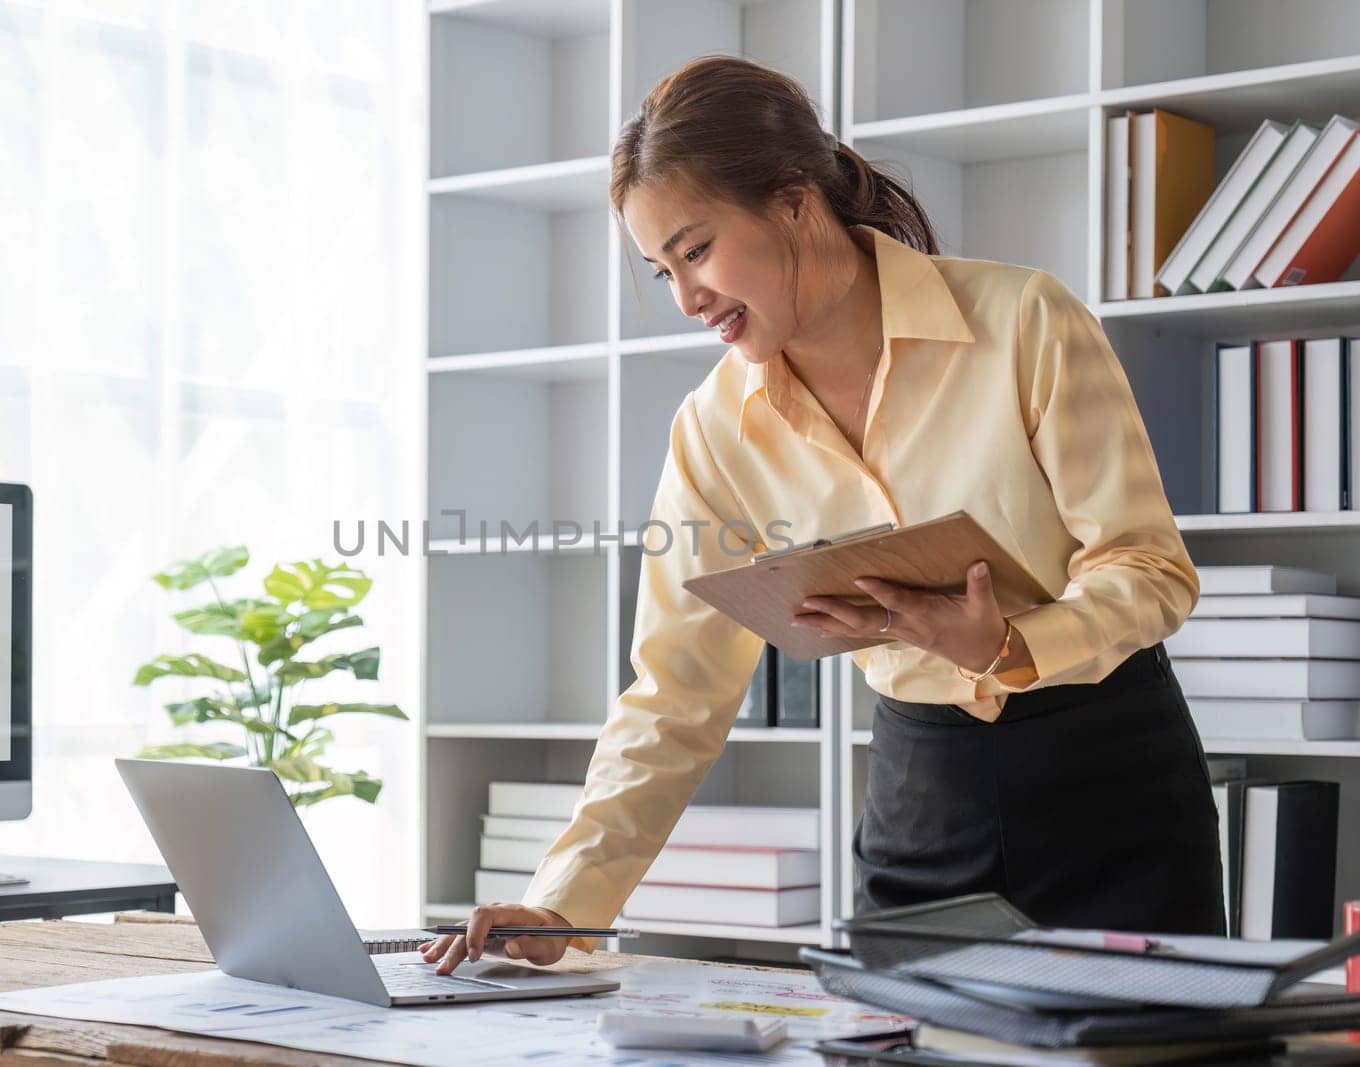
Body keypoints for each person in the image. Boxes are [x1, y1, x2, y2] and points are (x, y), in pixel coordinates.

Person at [422, 55, 1222, 977]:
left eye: (696, 249)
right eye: (660, 270)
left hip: (1110, 788)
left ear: (796, 204)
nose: (685, 298)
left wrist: (1009, 643)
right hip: (922, 808)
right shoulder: (714, 427)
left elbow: (1149, 569)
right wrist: (565, 902)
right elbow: (674, 693)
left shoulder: (1023, 320)